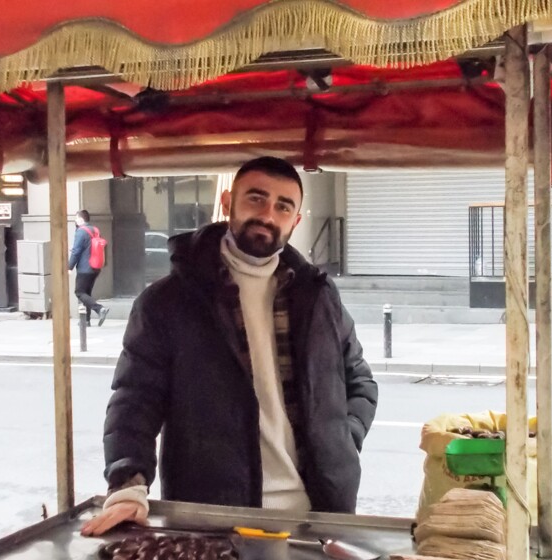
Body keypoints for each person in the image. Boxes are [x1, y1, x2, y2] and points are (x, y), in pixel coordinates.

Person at [83, 156, 377, 536]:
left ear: (295, 221)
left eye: (283, 206)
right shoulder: (169, 301)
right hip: (215, 521)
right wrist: (128, 486)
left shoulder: (317, 296)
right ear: (227, 203)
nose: (267, 215)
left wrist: (340, 443)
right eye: (256, 199)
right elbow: (135, 399)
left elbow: (359, 381)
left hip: (316, 518)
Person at [68, 210, 110, 326]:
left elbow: (76, 251)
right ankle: (86, 321)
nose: (75, 220)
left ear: (81, 219)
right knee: (87, 293)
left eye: (76, 218)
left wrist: (69, 267)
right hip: (95, 267)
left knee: (79, 292)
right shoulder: (95, 230)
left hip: (85, 268)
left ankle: (100, 309)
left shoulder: (81, 231)